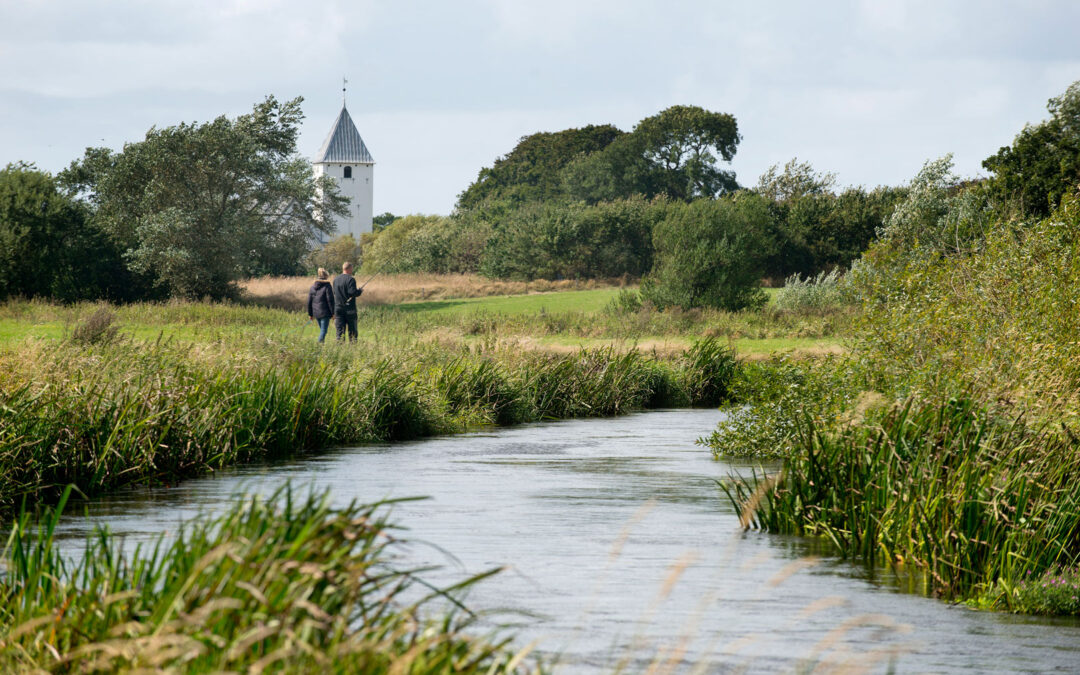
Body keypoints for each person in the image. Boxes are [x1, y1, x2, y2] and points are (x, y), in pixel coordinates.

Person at [331, 261, 363, 342]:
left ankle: (340, 347)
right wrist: (359, 291)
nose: (352, 271)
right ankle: (353, 346)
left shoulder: (335, 279)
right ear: (349, 269)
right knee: (352, 330)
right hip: (349, 309)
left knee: (340, 330)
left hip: (338, 308)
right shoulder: (351, 279)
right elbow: (352, 292)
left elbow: (334, 292)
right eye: (352, 269)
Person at [306, 268, 334, 343]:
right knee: (323, 331)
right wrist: (333, 313)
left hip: (316, 313)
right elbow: (330, 300)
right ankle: (318, 346)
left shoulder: (312, 287)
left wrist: (310, 314)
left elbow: (309, 301)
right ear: (326, 277)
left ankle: (321, 347)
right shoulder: (327, 286)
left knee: (322, 330)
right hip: (324, 313)